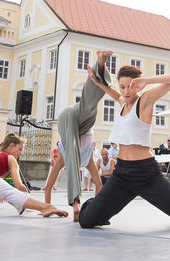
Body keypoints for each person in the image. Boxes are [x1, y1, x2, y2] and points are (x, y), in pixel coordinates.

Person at [79, 65, 170, 228]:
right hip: (122, 174)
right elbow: (114, 93)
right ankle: (97, 205)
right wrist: (98, 83)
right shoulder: (122, 103)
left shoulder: (144, 100)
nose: (126, 91)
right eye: (122, 87)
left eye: (131, 86)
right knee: (86, 220)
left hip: (146, 174)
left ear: (137, 85)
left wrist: (147, 81)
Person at [47, 51, 111, 221]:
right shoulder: (89, 160)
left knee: (89, 105)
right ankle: (99, 67)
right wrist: (97, 208)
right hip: (80, 119)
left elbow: (48, 187)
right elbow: (98, 185)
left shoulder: (64, 158)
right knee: (90, 105)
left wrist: (47, 208)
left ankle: (76, 203)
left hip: (69, 117)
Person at [0, 133, 68, 217]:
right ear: (11, 146)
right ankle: (46, 208)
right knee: (11, 192)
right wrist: (28, 198)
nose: (20, 153)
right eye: (20, 149)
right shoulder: (10, 157)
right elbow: (19, 185)